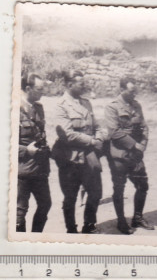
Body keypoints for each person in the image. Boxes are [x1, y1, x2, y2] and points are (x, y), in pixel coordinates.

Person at [52, 70, 106, 234]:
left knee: (96, 192)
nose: (84, 86)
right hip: (70, 158)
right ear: (69, 85)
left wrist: (100, 135)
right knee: (70, 196)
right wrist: (91, 140)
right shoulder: (61, 106)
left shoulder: (86, 103)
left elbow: (96, 125)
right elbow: (67, 134)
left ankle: (89, 224)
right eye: (80, 83)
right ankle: (71, 229)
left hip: (89, 156)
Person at [104, 77, 154, 235]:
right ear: (122, 90)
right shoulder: (112, 107)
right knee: (119, 188)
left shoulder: (137, 105)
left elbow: (144, 127)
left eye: (135, 91)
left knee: (142, 185)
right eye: (132, 91)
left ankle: (137, 217)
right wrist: (134, 144)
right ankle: (121, 221)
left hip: (136, 155)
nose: (135, 94)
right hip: (119, 155)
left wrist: (143, 145)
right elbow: (114, 132)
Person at [17, 73, 51, 232]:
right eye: (39, 89)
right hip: (21, 170)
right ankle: (20, 245)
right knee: (19, 213)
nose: (42, 92)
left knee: (45, 204)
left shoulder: (38, 108)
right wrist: (25, 150)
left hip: (39, 169)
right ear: (28, 88)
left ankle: (35, 237)